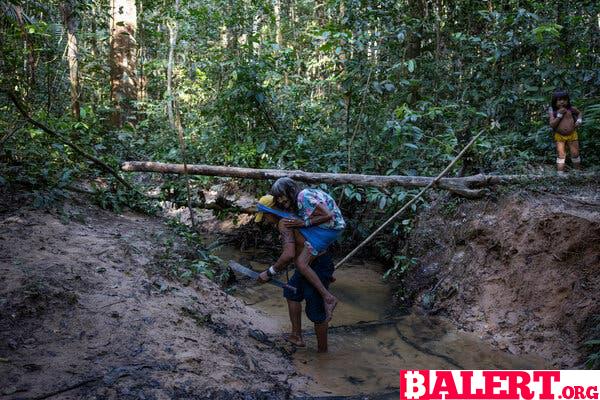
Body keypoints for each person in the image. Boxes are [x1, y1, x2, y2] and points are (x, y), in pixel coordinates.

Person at [548, 90, 583, 173]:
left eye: (564, 99)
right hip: (559, 136)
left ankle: (577, 172)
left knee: (575, 153)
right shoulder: (553, 112)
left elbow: (579, 113)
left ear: (568, 101)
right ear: (555, 101)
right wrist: (559, 115)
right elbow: (552, 124)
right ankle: (560, 173)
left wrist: (579, 121)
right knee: (561, 155)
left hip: (572, 134)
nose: (562, 102)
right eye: (559, 100)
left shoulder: (571, 109)